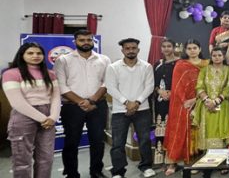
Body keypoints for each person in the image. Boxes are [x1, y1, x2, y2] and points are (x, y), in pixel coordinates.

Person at [54, 29, 111, 178]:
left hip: (97, 105)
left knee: (98, 141)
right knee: (71, 142)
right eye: (82, 40)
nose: (86, 42)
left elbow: (107, 82)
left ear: (93, 41)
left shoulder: (104, 59)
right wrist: (82, 102)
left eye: (89, 39)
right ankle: (72, 173)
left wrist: (92, 100)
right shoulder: (63, 60)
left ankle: (96, 171)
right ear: (75, 42)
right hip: (72, 107)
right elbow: (62, 86)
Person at [3, 42, 60, 178]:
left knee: (46, 158)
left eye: (39, 53)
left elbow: (56, 98)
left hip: (48, 117)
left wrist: (53, 117)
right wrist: (43, 119)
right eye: (30, 53)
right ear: (22, 55)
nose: (35, 56)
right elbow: (17, 102)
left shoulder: (50, 74)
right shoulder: (11, 73)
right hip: (24, 116)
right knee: (22, 160)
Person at [104, 38, 156, 178]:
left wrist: (137, 102)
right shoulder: (113, 67)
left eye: (134, 48)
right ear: (122, 50)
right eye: (127, 48)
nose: (131, 50)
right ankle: (118, 171)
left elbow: (149, 86)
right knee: (118, 143)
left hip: (142, 109)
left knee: (144, 140)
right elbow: (110, 87)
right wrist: (127, 102)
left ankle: (145, 166)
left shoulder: (146, 66)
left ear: (138, 50)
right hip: (120, 110)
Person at [163, 39, 209, 176]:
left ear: (200, 49)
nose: (192, 50)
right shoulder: (180, 64)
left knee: (197, 131)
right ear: (185, 50)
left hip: (202, 101)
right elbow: (176, 86)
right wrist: (185, 101)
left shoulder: (206, 64)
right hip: (182, 104)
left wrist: (197, 100)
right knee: (178, 129)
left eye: (195, 47)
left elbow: (210, 83)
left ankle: (195, 161)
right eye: (189, 48)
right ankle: (173, 162)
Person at [192, 47, 229, 150]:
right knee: (208, 129)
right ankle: (207, 160)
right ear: (211, 57)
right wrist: (207, 100)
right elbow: (199, 86)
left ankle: (221, 160)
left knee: (219, 129)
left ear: (223, 57)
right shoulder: (204, 70)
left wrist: (216, 101)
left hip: (222, 104)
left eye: (219, 55)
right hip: (206, 105)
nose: (217, 57)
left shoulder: (228, 70)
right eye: (214, 55)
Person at [152, 38, 178, 162]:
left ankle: (172, 158)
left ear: (173, 47)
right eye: (164, 46)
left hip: (176, 101)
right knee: (161, 128)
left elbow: (183, 82)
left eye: (169, 46)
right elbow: (153, 83)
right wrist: (159, 91)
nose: (166, 49)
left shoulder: (180, 63)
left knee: (175, 129)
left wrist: (173, 92)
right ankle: (160, 157)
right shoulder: (157, 64)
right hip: (161, 101)